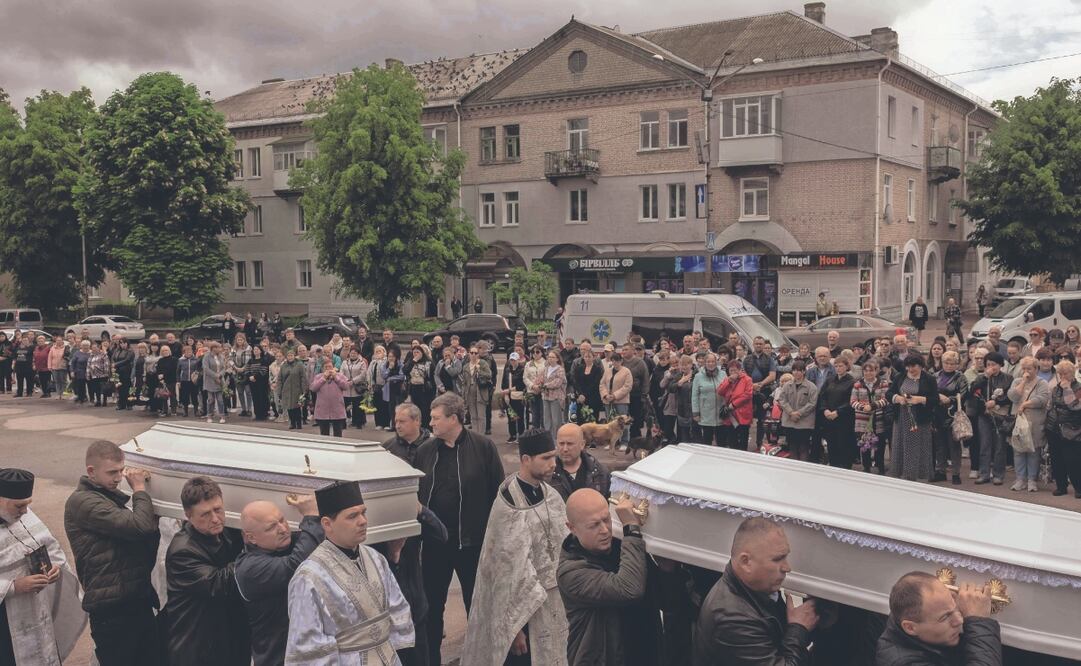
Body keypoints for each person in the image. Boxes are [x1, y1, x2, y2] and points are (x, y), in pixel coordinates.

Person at [461, 429, 570, 666]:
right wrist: (515, 629)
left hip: (557, 601)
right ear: (526, 460)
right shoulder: (508, 505)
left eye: (554, 457)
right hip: (525, 612)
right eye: (546, 458)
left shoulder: (551, 495)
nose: (553, 464)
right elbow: (502, 576)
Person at [414, 393, 504, 665]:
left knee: (477, 609)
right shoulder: (425, 451)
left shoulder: (483, 447)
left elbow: (498, 495)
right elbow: (415, 496)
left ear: (453, 419)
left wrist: (494, 540)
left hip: (472, 545)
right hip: (434, 546)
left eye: (435, 418)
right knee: (430, 611)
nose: (430, 423)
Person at [286, 480, 415, 663]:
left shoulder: (375, 558)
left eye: (363, 512)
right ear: (327, 524)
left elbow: (397, 608)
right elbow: (308, 646)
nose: (363, 521)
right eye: (352, 516)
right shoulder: (309, 577)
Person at [64, 441, 160, 666]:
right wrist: (139, 490)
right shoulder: (83, 502)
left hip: (136, 600)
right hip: (113, 611)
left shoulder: (109, 496)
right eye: (112, 472)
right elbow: (140, 527)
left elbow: (144, 537)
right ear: (91, 471)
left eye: (121, 470)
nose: (119, 477)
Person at [692, 517, 818, 665]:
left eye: (786, 556)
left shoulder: (759, 589)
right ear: (746, 562)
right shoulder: (732, 618)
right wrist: (798, 628)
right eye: (777, 559)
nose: (787, 567)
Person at [558, 488, 658, 666]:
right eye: (594, 525)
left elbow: (662, 595)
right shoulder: (571, 572)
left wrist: (667, 569)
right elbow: (629, 589)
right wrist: (632, 530)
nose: (604, 530)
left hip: (642, 653)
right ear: (571, 528)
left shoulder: (620, 545)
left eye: (606, 519)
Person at [1, 467, 86, 666]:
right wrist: (14, 587)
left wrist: (55, 568)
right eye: (18, 506)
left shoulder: (26, 515)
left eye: (27, 505)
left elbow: (51, 548)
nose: (25, 511)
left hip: (37, 611)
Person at [165, 477, 249, 666]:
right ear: (188, 515)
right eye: (205, 514)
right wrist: (253, 549)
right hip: (199, 650)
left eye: (218, 510)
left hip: (228, 640)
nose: (215, 519)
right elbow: (220, 583)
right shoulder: (183, 551)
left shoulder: (226, 532)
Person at [234, 495, 324, 666]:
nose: (283, 529)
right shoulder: (250, 569)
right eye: (271, 527)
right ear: (251, 538)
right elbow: (297, 565)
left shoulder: (281, 546)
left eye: (283, 520)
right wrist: (311, 516)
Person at [876, 572, 1001, 666]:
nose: (959, 620)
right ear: (910, 627)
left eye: (955, 607)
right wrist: (978, 620)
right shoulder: (902, 662)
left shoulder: (912, 623)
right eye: (945, 617)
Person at [888, 355, 938, 482]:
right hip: (901, 418)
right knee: (900, 445)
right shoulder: (900, 376)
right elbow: (889, 393)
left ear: (921, 366)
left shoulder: (929, 379)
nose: (910, 369)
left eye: (913, 366)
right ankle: (901, 474)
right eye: (908, 366)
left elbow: (935, 399)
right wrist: (898, 398)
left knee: (918, 447)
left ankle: (918, 475)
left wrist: (920, 400)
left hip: (920, 419)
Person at [969, 352, 1014, 486]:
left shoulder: (1008, 378)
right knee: (985, 444)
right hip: (984, 415)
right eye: (988, 364)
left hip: (1000, 414)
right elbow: (973, 390)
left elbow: (1010, 396)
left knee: (999, 445)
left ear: (1000, 365)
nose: (990, 367)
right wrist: (984, 377)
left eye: (993, 364)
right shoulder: (982, 377)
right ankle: (984, 473)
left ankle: (998, 474)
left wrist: (997, 402)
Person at [1006, 357, 1050, 492]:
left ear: (1036, 369)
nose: (1026, 371)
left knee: (1033, 451)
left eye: (1029, 369)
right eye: (1024, 369)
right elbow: (1012, 396)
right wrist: (1024, 381)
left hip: (1035, 423)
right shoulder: (1017, 381)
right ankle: (1020, 479)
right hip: (1019, 422)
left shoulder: (1042, 383)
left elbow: (1042, 399)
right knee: (1018, 450)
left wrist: (1025, 404)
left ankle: (1032, 480)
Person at [933, 352, 969, 484]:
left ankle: (955, 474)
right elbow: (930, 392)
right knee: (939, 445)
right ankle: (940, 471)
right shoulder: (935, 376)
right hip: (937, 413)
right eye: (946, 363)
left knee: (954, 445)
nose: (948, 365)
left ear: (957, 364)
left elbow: (964, 394)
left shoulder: (961, 377)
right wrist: (938, 397)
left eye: (952, 363)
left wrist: (949, 399)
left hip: (953, 414)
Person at [852, 358, 893, 475]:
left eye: (871, 371)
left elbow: (886, 399)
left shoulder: (883, 384)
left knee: (879, 443)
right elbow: (853, 401)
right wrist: (862, 407)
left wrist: (874, 405)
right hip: (862, 419)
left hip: (878, 418)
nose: (868, 373)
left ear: (876, 371)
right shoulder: (857, 384)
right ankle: (866, 466)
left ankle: (880, 465)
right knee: (864, 443)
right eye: (866, 371)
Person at [550, 422, 611, 501]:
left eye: (570, 444)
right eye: (561, 444)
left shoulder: (600, 473)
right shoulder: (547, 473)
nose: (565, 449)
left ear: (582, 444)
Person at [1047, 359, 1081, 497]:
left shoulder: (1078, 388)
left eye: (1065, 373)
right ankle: (1061, 486)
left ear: (1072, 373)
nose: (1062, 377)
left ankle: (1079, 488)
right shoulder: (1056, 388)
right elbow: (1052, 405)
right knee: (1056, 459)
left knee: (1073, 461)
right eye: (1060, 374)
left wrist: (1067, 388)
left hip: (1072, 430)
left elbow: (1074, 406)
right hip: (1054, 428)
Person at [777, 360, 820, 461]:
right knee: (792, 447)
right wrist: (791, 412)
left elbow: (812, 403)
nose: (796, 373)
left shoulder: (811, 387)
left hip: (804, 423)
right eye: (794, 370)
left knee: (803, 447)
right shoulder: (787, 385)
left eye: (799, 370)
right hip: (789, 421)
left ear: (804, 372)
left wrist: (799, 413)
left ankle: (804, 469)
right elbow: (782, 399)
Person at [716, 359, 754, 451]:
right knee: (732, 439)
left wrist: (734, 404)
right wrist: (728, 382)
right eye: (731, 370)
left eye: (735, 370)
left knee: (743, 440)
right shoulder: (727, 380)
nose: (733, 372)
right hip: (730, 415)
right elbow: (720, 391)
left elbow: (747, 395)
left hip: (742, 413)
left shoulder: (747, 379)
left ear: (740, 369)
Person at [692, 353, 725, 446]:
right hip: (705, 414)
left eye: (713, 361)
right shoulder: (698, 376)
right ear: (705, 363)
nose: (711, 364)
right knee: (706, 442)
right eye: (708, 361)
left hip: (720, 413)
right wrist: (696, 412)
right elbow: (694, 395)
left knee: (722, 442)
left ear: (716, 362)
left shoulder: (723, 374)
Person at [600, 352, 633, 446]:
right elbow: (602, 384)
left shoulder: (626, 371)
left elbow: (627, 386)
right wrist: (606, 395)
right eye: (613, 360)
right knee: (610, 422)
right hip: (608, 401)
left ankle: (624, 442)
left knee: (623, 422)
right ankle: (612, 442)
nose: (614, 362)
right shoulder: (607, 371)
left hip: (621, 401)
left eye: (617, 361)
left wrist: (614, 395)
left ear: (621, 361)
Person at [310, 358, 349, 437]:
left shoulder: (340, 376)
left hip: (337, 410)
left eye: (330, 367)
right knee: (324, 435)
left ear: (333, 367)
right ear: (323, 368)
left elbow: (346, 386)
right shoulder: (318, 377)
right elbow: (313, 388)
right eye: (326, 367)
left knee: (338, 434)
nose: (328, 369)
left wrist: (336, 378)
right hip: (323, 410)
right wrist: (323, 378)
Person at [461, 346, 492, 430]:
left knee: (481, 416)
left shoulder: (482, 363)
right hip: (469, 392)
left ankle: (481, 437)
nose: (473, 355)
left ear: (478, 354)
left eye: (475, 353)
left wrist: (479, 371)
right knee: (473, 416)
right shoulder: (466, 366)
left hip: (480, 391)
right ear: (469, 354)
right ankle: (475, 436)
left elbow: (489, 375)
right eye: (471, 353)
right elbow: (464, 382)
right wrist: (463, 395)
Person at [538, 349, 568, 436]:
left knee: (556, 420)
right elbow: (541, 379)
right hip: (546, 397)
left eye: (552, 357)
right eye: (549, 357)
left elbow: (557, 382)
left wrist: (545, 385)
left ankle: (556, 438)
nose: (550, 359)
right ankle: (548, 439)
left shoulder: (560, 369)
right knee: (547, 419)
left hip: (556, 397)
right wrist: (539, 384)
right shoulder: (546, 369)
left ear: (557, 359)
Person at [502, 350, 528, 443]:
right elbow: (504, 383)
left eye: (514, 360)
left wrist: (509, 390)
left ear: (518, 360)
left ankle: (521, 434)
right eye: (511, 360)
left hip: (518, 396)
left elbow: (521, 385)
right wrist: (505, 394)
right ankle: (512, 435)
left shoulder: (522, 370)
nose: (513, 362)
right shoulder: (507, 370)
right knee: (511, 416)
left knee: (520, 416)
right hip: (509, 396)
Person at [201, 341, 228, 424]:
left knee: (220, 400)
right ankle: (209, 415)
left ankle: (222, 415)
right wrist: (215, 376)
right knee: (211, 399)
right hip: (210, 381)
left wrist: (219, 375)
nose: (220, 349)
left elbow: (224, 368)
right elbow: (206, 368)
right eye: (218, 347)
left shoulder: (221, 356)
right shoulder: (206, 356)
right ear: (213, 348)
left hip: (219, 381)